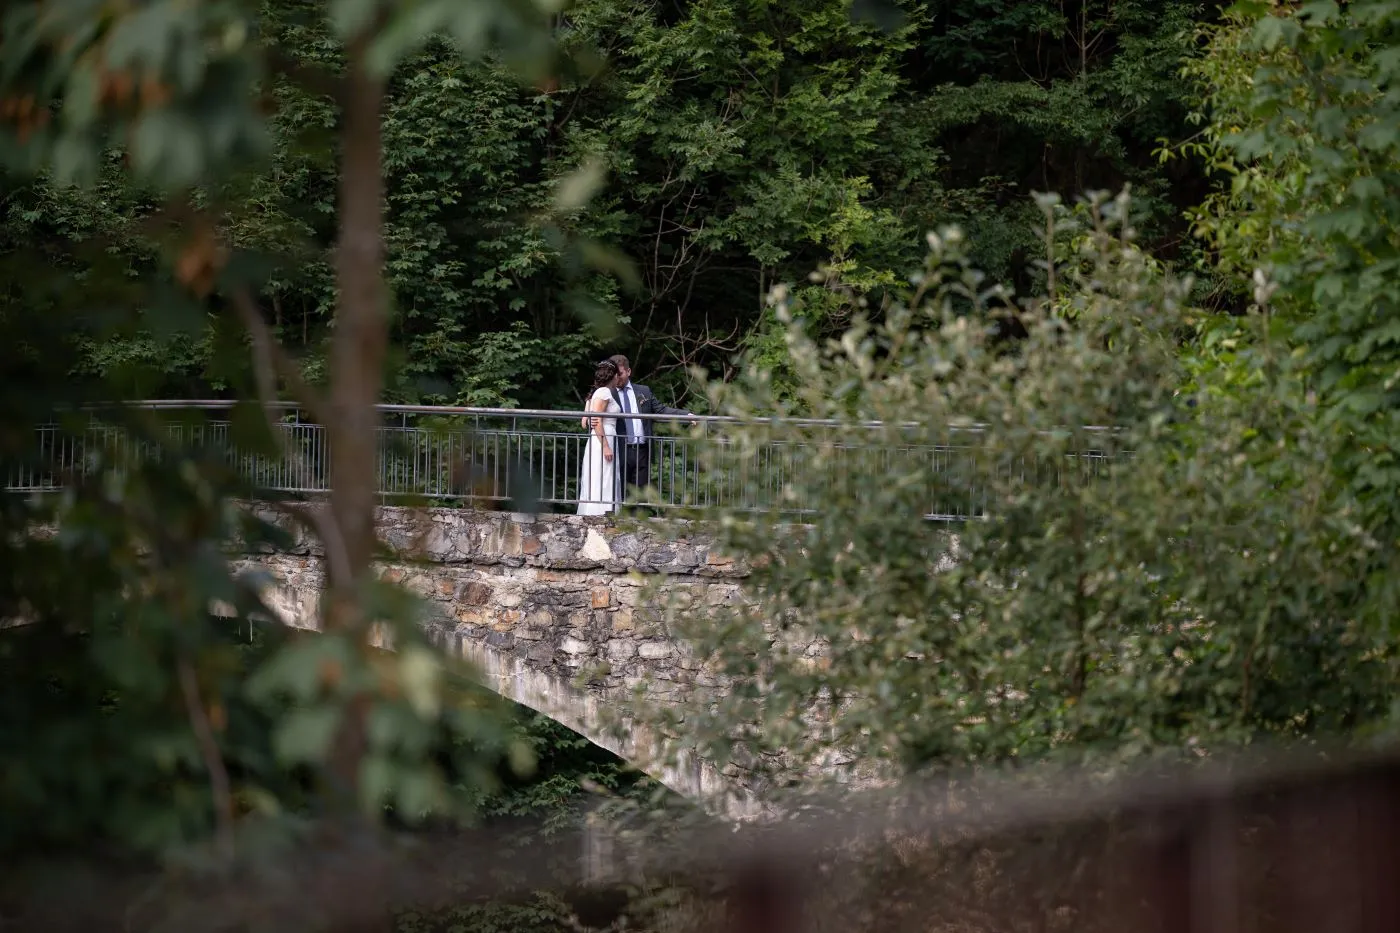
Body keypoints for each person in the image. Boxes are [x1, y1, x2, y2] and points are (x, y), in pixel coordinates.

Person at [606, 354, 693, 504]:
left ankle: (636, 525)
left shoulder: (643, 391)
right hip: (619, 448)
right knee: (618, 491)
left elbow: (661, 410)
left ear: (628, 372)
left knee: (640, 493)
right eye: (614, 374)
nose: (616, 378)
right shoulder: (608, 392)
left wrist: (687, 415)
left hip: (642, 449)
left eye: (619, 374)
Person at [577, 359, 623, 516]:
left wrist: (588, 403)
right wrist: (605, 445)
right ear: (614, 376)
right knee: (604, 476)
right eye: (618, 375)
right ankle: (601, 513)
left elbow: (585, 423)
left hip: (599, 437)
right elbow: (596, 420)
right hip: (604, 437)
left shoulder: (596, 394)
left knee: (600, 476)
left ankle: (600, 511)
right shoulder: (604, 393)